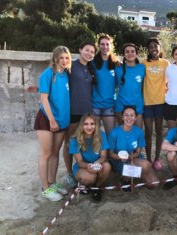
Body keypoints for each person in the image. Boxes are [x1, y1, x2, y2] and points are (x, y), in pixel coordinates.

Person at [34, 46, 71, 201]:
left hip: (62, 121)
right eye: (61, 58)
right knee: (46, 154)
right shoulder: (48, 74)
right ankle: (45, 188)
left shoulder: (67, 75)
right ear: (55, 58)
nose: (64, 61)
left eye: (67, 58)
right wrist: (52, 120)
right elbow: (43, 98)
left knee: (56, 153)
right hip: (47, 119)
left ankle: (52, 182)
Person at [63, 42, 96, 188]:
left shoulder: (90, 67)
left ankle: (82, 169)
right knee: (69, 144)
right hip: (73, 112)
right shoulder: (71, 66)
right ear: (80, 50)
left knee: (82, 143)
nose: (89, 53)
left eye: (92, 52)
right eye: (87, 50)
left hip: (87, 113)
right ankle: (70, 173)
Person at [108, 106, 159, 189]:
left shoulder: (139, 132)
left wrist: (130, 157)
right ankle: (125, 178)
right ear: (122, 117)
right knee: (146, 165)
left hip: (134, 159)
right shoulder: (114, 133)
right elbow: (110, 154)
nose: (129, 118)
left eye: (132, 115)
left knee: (153, 184)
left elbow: (138, 152)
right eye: (126, 115)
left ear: (135, 118)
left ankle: (133, 175)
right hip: (119, 162)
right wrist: (120, 157)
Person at [69, 113, 112, 202]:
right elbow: (80, 162)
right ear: (81, 125)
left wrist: (96, 164)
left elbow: (104, 156)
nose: (89, 127)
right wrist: (89, 166)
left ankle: (96, 188)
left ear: (96, 125)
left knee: (107, 166)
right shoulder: (74, 139)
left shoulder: (101, 135)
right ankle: (84, 184)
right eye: (86, 124)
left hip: (98, 163)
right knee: (89, 178)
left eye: (92, 124)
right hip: (83, 167)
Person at [142, 38, 170, 171]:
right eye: (151, 47)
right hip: (147, 103)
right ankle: (148, 159)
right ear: (148, 49)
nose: (153, 49)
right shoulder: (143, 63)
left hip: (160, 103)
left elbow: (175, 73)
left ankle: (157, 159)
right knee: (148, 132)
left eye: (156, 46)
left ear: (160, 48)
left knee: (159, 131)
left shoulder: (166, 63)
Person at [91, 34, 119, 134]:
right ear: (98, 46)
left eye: (107, 44)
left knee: (111, 136)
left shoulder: (116, 63)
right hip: (94, 105)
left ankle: (109, 151)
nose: (105, 47)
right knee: (94, 137)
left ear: (111, 46)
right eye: (102, 44)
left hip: (109, 105)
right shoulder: (92, 62)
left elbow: (118, 84)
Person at [115, 43, 145, 128]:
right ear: (123, 54)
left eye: (132, 51)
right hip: (121, 107)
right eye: (127, 52)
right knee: (123, 136)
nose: (130, 53)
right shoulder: (117, 68)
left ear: (136, 53)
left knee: (137, 135)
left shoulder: (142, 68)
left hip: (137, 106)